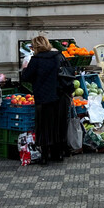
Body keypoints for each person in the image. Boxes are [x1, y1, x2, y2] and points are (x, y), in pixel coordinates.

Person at [21, 35, 64, 164]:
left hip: (42, 97)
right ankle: (58, 154)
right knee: (56, 125)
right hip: (57, 95)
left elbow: (26, 77)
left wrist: (25, 68)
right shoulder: (57, 57)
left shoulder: (36, 59)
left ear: (36, 46)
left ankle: (45, 156)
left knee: (43, 126)